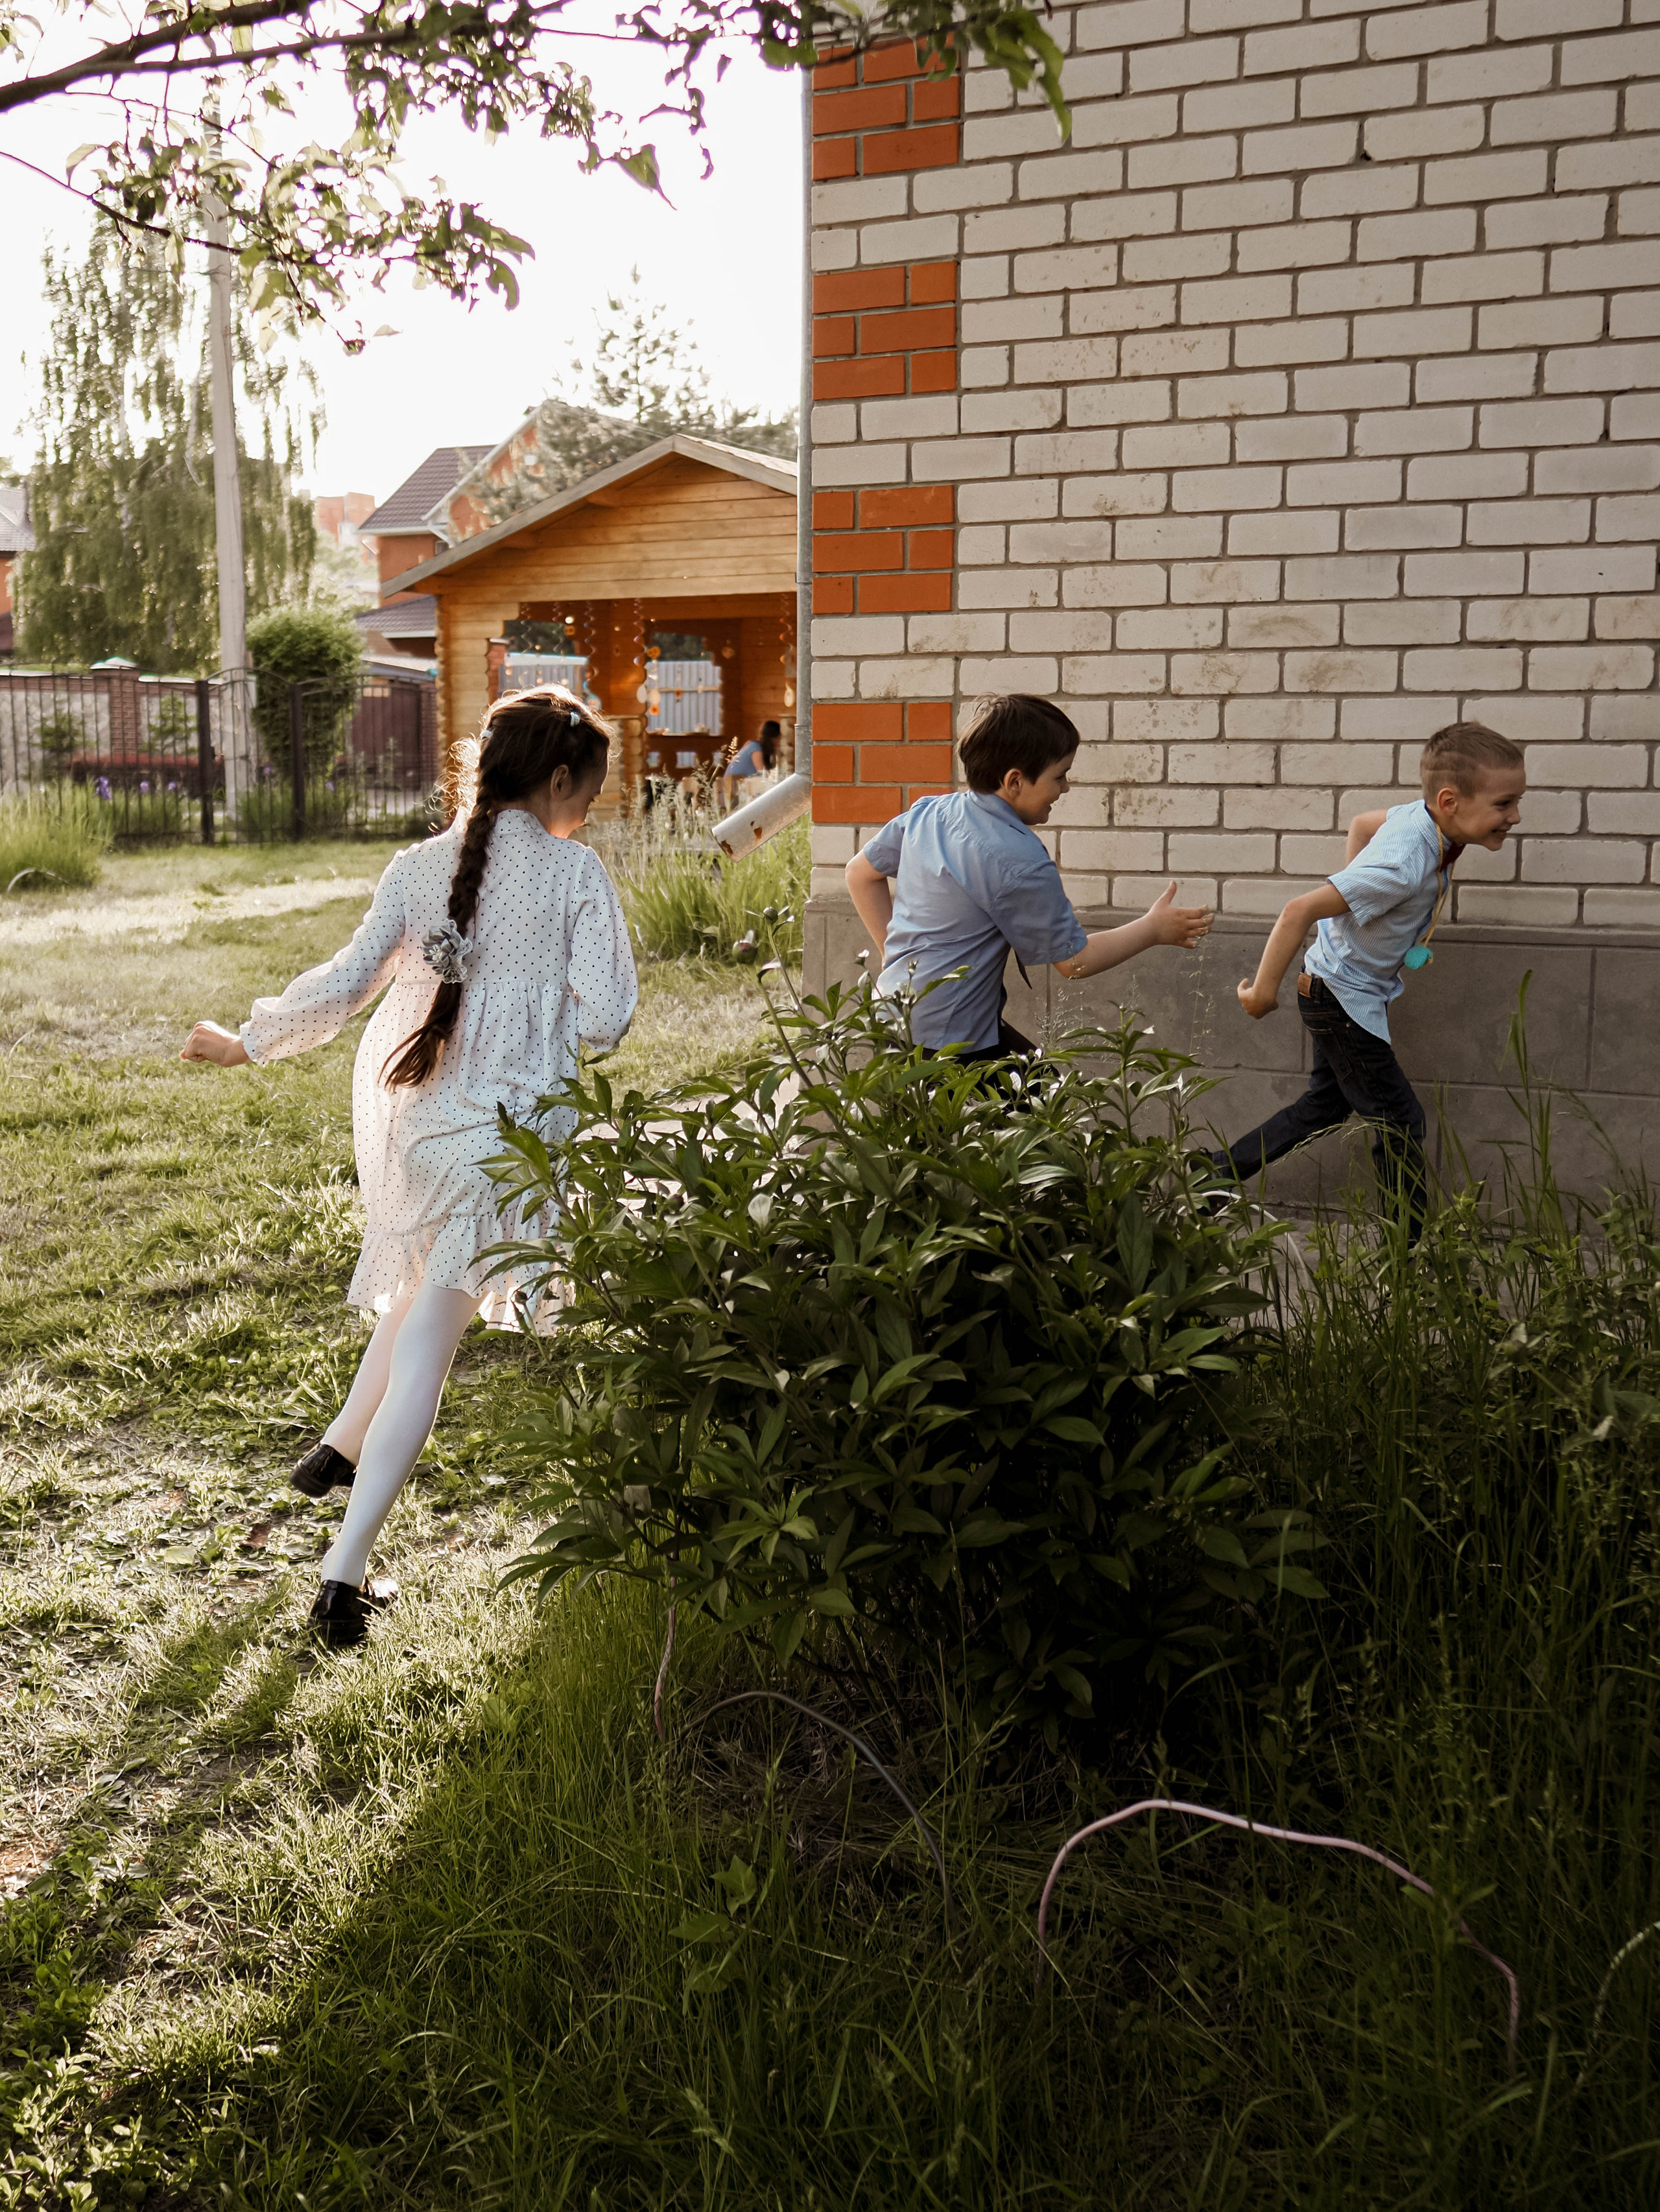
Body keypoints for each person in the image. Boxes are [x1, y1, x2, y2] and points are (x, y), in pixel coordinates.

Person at [180, 689, 637, 1649]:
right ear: (557, 781)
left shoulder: (417, 866)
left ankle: (335, 1451)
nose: (586, 815)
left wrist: (246, 1043)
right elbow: (605, 1018)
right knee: (431, 1336)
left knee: (420, 1296)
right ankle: (343, 1581)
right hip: (508, 1142)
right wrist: (536, 1005)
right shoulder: (573, 874)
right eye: (587, 795)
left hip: (421, 1130)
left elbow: (347, 983)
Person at [1209, 719, 1526, 1239]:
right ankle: (1407, 1253)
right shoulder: (1403, 865)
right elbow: (1298, 909)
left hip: (1340, 987)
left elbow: (1360, 823)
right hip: (1341, 997)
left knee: (1325, 1107)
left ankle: (1215, 1173)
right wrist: (1262, 993)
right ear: (1450, 801)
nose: (1515, 816)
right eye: (1503, 804)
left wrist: (1357, 906)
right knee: (1400, 1120)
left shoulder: (1423, 819)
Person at [844, 694, 1211, 1058]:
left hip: (893, 1013)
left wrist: (895, 960)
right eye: (1060, 776)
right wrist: (1154, 929)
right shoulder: (1019, 860)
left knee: (1034, 1084)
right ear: (1015, 781)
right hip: (947, 1041)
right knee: (1037, 1106)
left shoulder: (931, 812)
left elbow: (859, 874)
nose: (1065, 788)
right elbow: (1074, 962)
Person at [720, 720, 780, 808]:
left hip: (741, 790)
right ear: (774, 737)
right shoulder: (756, 749)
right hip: (734, 792)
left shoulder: (753, 745)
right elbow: (763, 775)